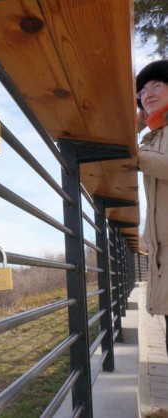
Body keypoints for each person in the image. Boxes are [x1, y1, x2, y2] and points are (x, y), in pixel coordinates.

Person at [136, 59, 168, 354]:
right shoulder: (155, 135)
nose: (148, 93)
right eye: (142, 91)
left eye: (158, 85)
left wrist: (129, 149)